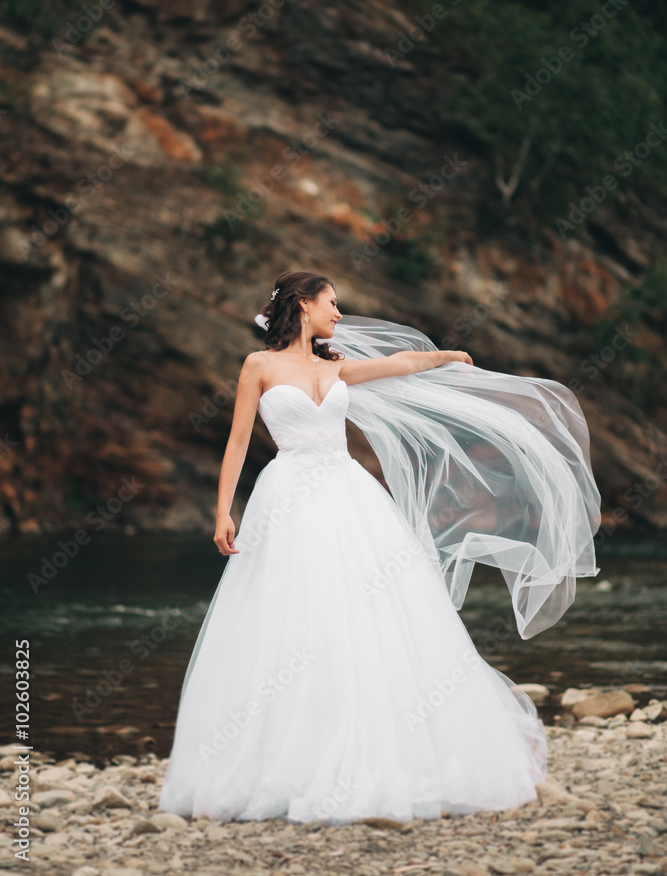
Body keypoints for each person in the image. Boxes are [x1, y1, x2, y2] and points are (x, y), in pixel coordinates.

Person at [159, 269, 600, 824]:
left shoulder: (334, 366)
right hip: (288, 496)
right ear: (302, 304)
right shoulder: (259, 366)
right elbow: (238, 439)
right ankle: (278, 752)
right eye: (332, 303)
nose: (339, 314)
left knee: (370, 610)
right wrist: (225, 509)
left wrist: (444, 358)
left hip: (347, 492)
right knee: (290, 613)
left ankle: (382, 744)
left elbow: (398, 365)